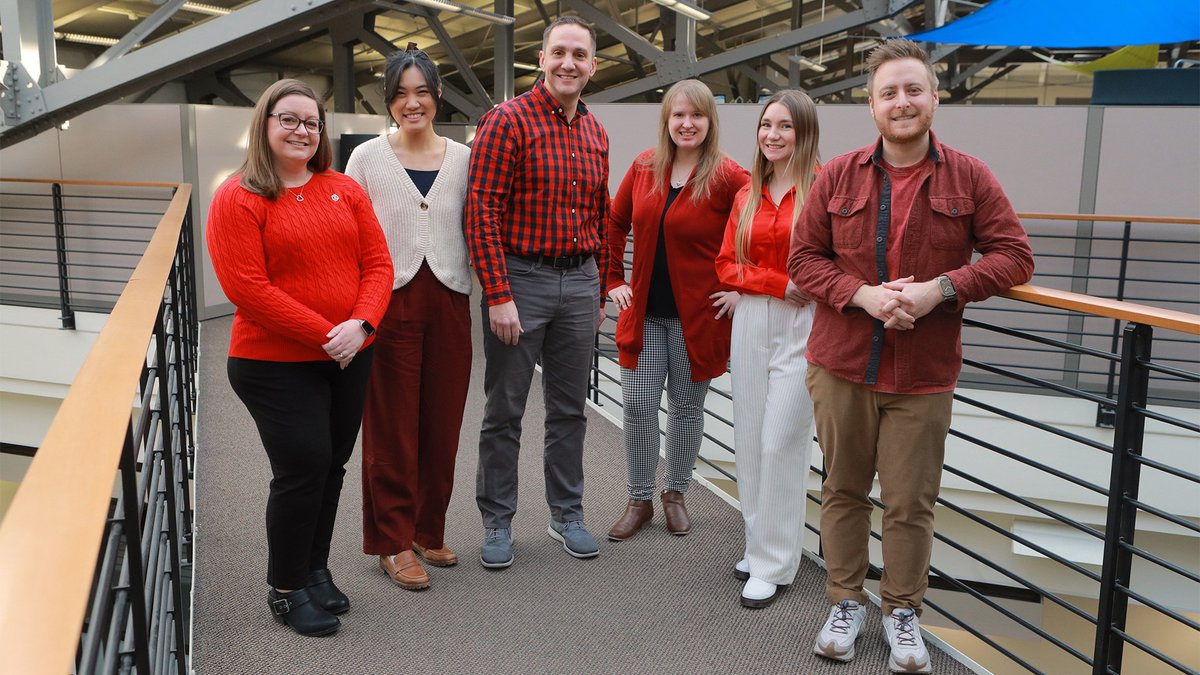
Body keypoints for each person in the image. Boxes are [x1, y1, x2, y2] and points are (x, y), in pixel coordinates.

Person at [788, 40, 1033, 673]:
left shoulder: (970, 176)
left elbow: (1014, 255)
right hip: (840, 363)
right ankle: (845, 601)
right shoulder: (838, 174)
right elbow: (803, 260)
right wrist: (864, 296)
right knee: (842, 489)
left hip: (922, 372)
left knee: (909, 502)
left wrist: (940, 290)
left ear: (934, 97)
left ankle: (902, 612)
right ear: (871, 105)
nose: (902, 102)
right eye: (889, 92)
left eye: (913, 90)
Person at [206, 79, 393, 636]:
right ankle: (286, 588)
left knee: (330, 466)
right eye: (288, 119)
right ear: (264, 125)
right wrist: (327, 334)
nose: (301, 131)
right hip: (272, 364)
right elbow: (248, 289)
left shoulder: (343, 189)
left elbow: (379, 266)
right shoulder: (238, 196)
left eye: (311, 122)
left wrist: (360, 326)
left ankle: (314, 568)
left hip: (350, 353)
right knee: (303, 466)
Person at [465, 15, 610, 568]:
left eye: (580, 54)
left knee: (570, 410)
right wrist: (498, 294)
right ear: (541, 59)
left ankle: (567, 514)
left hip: (579, 281)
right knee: (504, 410)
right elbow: (480, 211)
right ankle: (497, 522)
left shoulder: (595, 132)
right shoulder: (507, 121)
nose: (569, 63)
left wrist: (595, 290)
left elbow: (597, 215)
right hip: (520, 281)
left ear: (592, 66)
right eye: (559, 53)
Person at [345, 46, 472, 591]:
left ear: (438, 95)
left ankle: (428, 527)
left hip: (449, 299)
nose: (411, 102)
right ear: (389, 102)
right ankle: (392, 541)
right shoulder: (366, 160)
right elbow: (347, 239)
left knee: (441, 424)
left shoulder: (466, 158)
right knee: (391, 426)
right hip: (387, 303)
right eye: (400, 93)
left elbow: (481, 227)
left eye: (422, 91)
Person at [605, 80, 748, 541]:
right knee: (640, 406)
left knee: (686, 410)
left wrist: (741, 287)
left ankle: (676, 494)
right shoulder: (645, 166)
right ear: (667, 120)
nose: (687, 124)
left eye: (697, 116)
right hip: (645, 313)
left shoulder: (729, 177)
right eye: (679, 115)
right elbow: (615, 221)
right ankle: (639, 498)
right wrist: (613, 279)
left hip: (698, 320)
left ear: (710, 122)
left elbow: (764, 229)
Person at [714, 90, 822, 610]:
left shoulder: (823, 190)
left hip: (806, 326)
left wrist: (777, 285)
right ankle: (760, 545)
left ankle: (775, 562)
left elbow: (830, 268)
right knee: (751, 438)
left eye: (785, 126)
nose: (773, 135)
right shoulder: (747, 194)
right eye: (765, 125)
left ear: (804, 132)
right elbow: (724, 267)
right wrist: (777, 283)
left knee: (782, 441)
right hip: (754, 318)